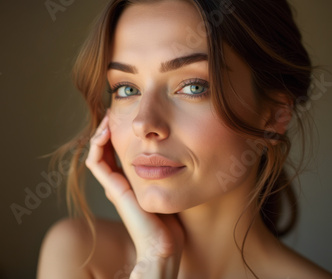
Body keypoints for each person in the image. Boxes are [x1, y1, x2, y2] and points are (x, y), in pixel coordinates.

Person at [37, 0, 332, 278]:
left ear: (273, 115)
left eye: (192, 87)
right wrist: (155, 261)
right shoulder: (80, 255)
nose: (144, 123)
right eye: (127, 89)